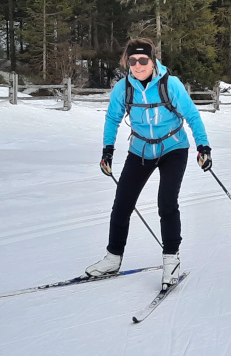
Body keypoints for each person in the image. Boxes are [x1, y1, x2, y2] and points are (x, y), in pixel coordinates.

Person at [85, 38, 211, 290]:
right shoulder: (124, 88)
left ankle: (171, 261)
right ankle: (112, 258)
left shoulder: (170, 85)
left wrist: (203, 146)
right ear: (127, 62)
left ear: (153, 61)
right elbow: (112, 119)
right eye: (133, 60)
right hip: (141, 150)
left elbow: (192, 115)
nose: (138, 65)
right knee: (122, 204)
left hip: (173, 148)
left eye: (143, 60)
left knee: (166, 202)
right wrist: (107, 151)